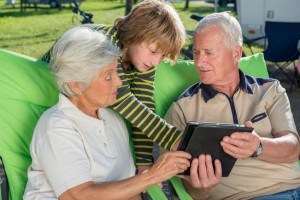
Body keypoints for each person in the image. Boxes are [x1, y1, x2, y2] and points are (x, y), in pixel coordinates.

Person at [23, 26, 191, 200]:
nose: (119, 82)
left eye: (116, 73)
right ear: (76, 84)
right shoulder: (56, 127)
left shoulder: (114, 121)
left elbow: (129, 191)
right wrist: (152, 176)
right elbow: (80, 196)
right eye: (108, 77)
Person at [165, 12, 300, 199]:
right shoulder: (182, 108)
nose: (199, 62)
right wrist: (202, 188)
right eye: (196, 52)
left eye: (209, 53)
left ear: (236, 53)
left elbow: (293, 149)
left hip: (294, 187)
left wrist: (258, 146)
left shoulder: (270, 90)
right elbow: (186, 187)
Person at [41, 0, 185, 172]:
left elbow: (144, 106)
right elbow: (123, 100)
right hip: (49, 87)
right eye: (153, 51)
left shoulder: (142, 60)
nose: (156, 61)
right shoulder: (103, 45)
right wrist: (173, 138)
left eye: (163, 55)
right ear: (135, 34)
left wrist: (144, 164)